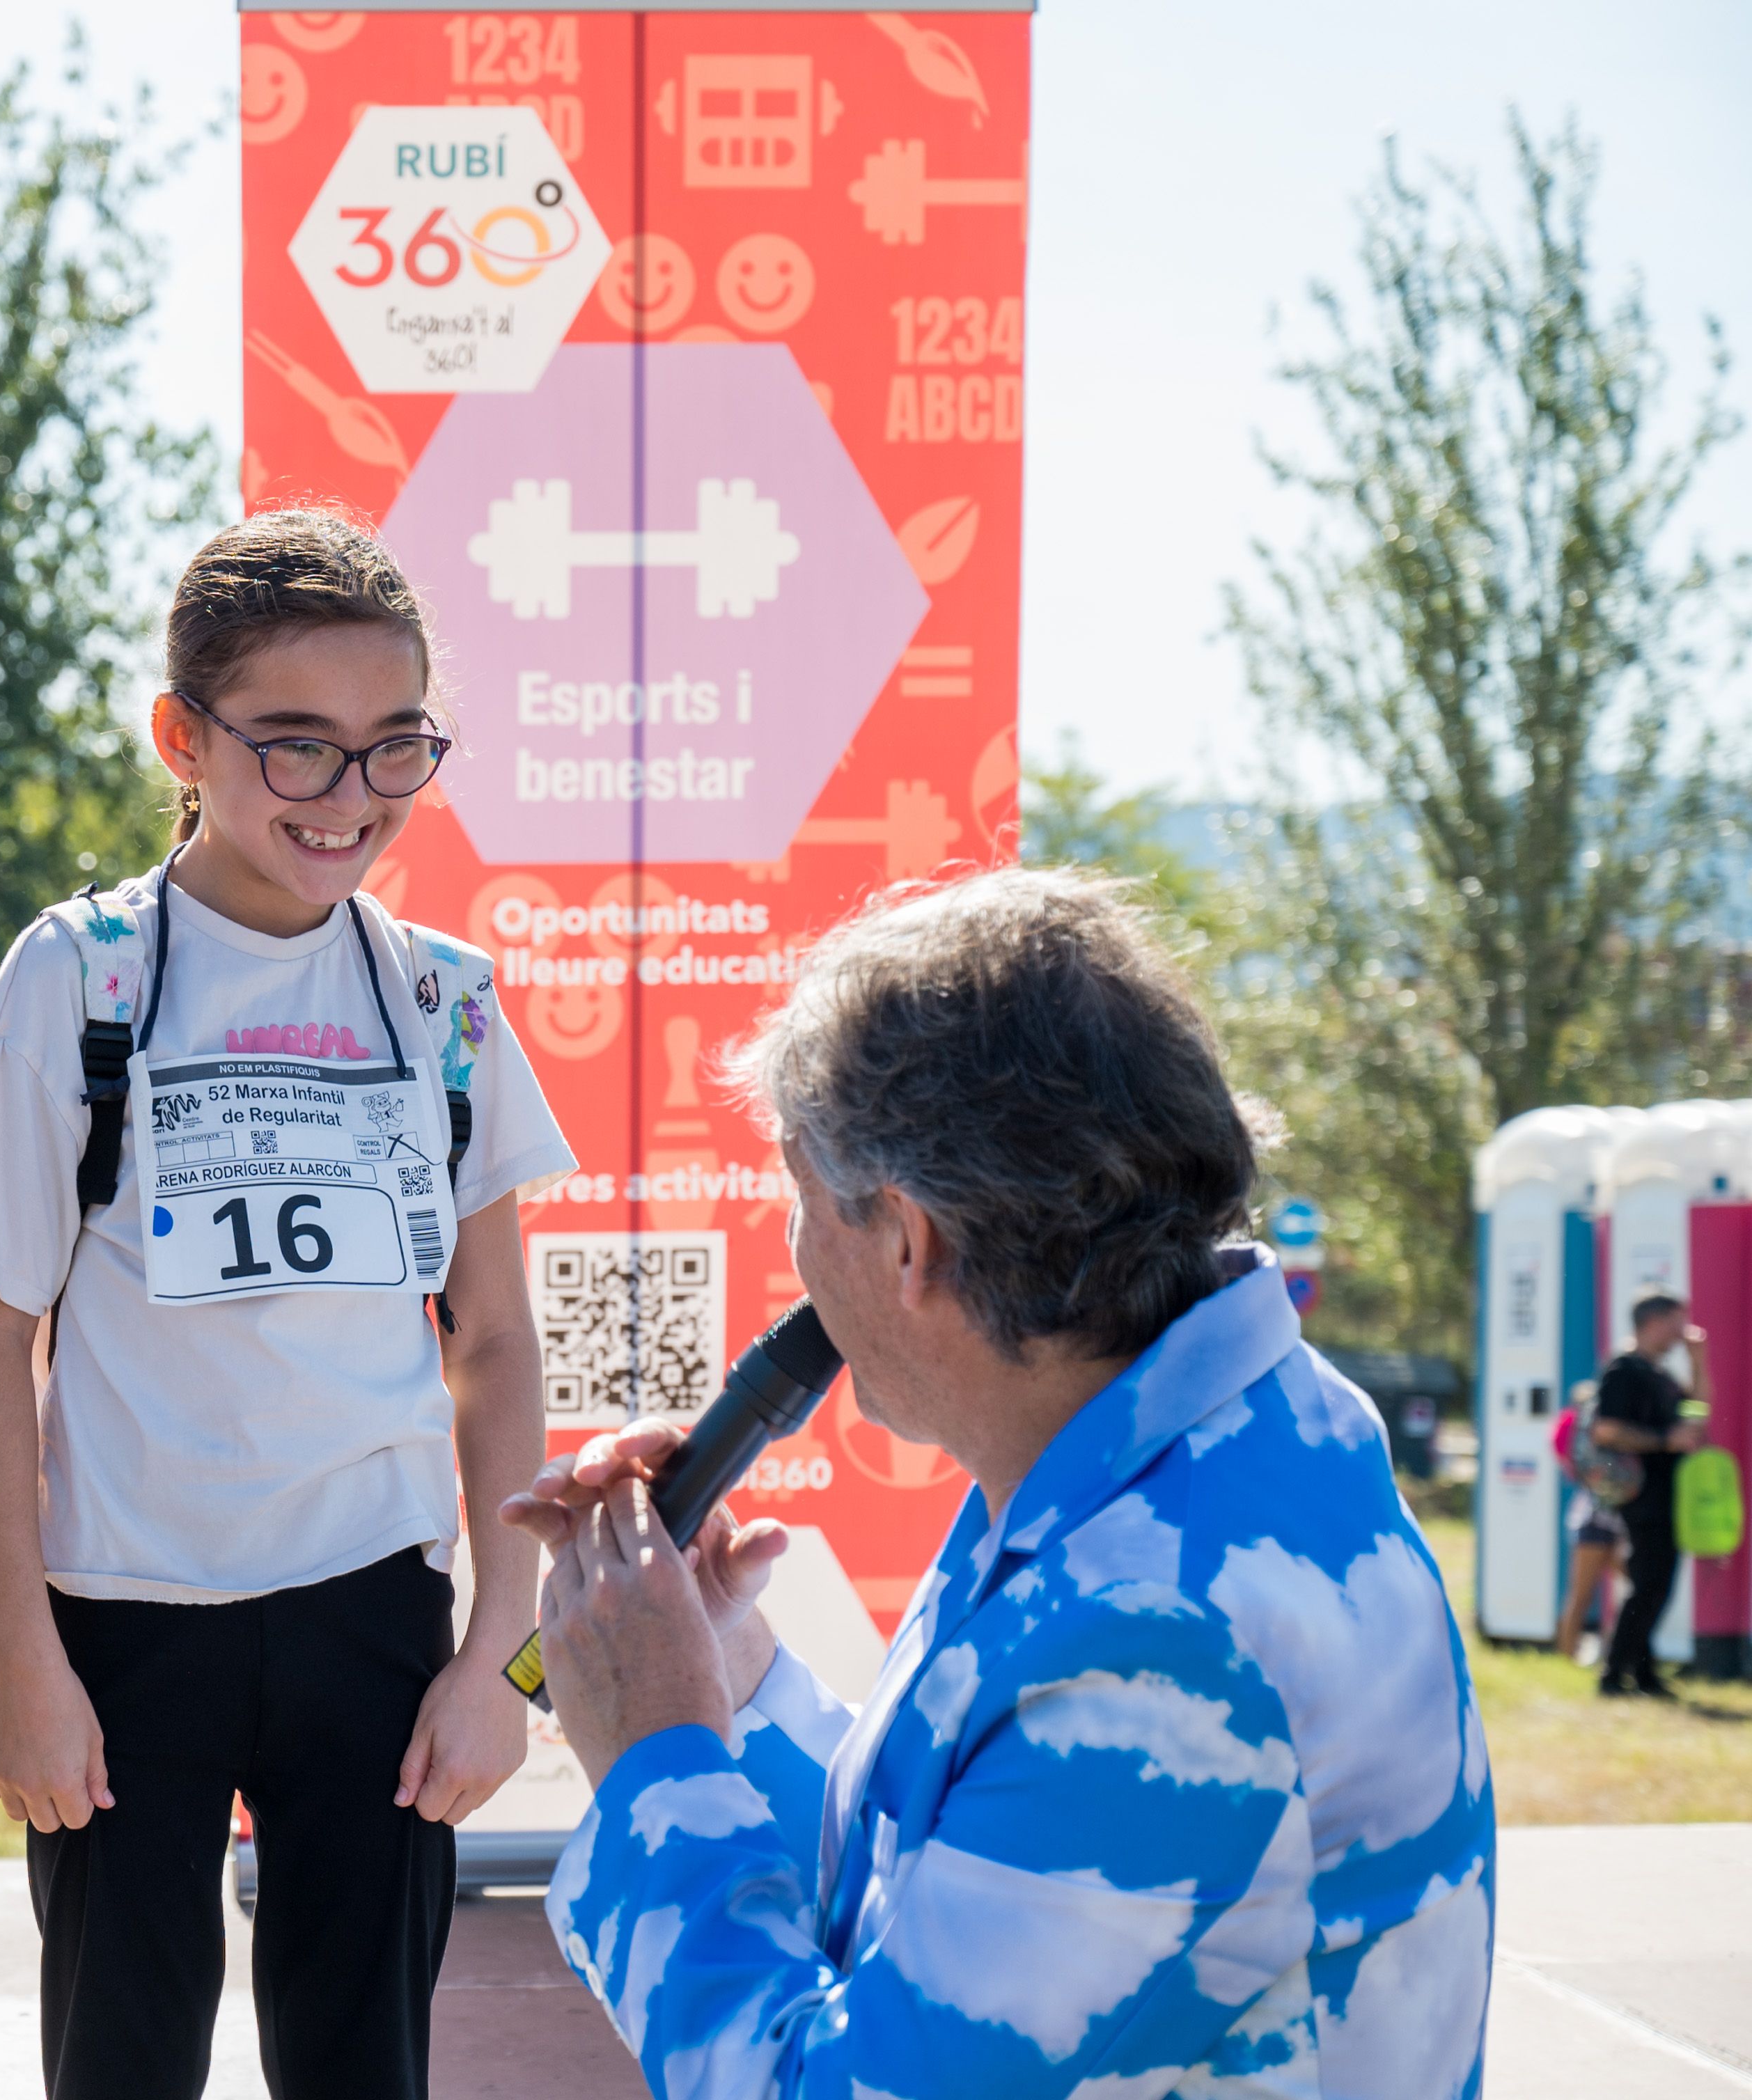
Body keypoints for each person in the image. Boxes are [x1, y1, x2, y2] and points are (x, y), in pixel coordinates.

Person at [506, 870, 1496, 2099]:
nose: (796, 1259)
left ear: (907, 1242)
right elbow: (967, 1895)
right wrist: (728, 1683)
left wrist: (655, 1754)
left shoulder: (1157, 1636)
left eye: (800, 1205)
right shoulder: (1191, 1452)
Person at [0, 510, 574, 2100]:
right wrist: (22, 1660)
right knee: (119, 2060)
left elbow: (491, 1344)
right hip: (122, 1618)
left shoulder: (442, 998)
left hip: (369, 1612)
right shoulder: (72, 977)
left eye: (392, 748)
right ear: (181, 735)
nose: (347, 798)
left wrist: (492, 1658)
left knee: (362, 2065)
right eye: (294, 747)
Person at [1593, 1294, 1711, 1698]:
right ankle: (1614, 1673)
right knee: (1651, 1583)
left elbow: (1696, 1417)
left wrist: (1698, 1363)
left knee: (1655, 1582)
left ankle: (1642, 1673)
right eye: (1678, 1322)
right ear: (1655, 1322)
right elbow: (1606, 1430)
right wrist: (1664, 1440)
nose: (1684, 1330)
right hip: (1639, 1492)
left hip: (1666, 1492)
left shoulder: (1661, 1374)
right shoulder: (1624, 1371)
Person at [1552, 1385, 1625, 1662]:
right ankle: (1567, 1654)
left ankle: (1610, 1650)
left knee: (1631, 1590)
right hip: (1597, 1517)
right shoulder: (1591, 1437)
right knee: (1582, 1593)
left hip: (1604, 1518)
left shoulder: (1584, 1435)